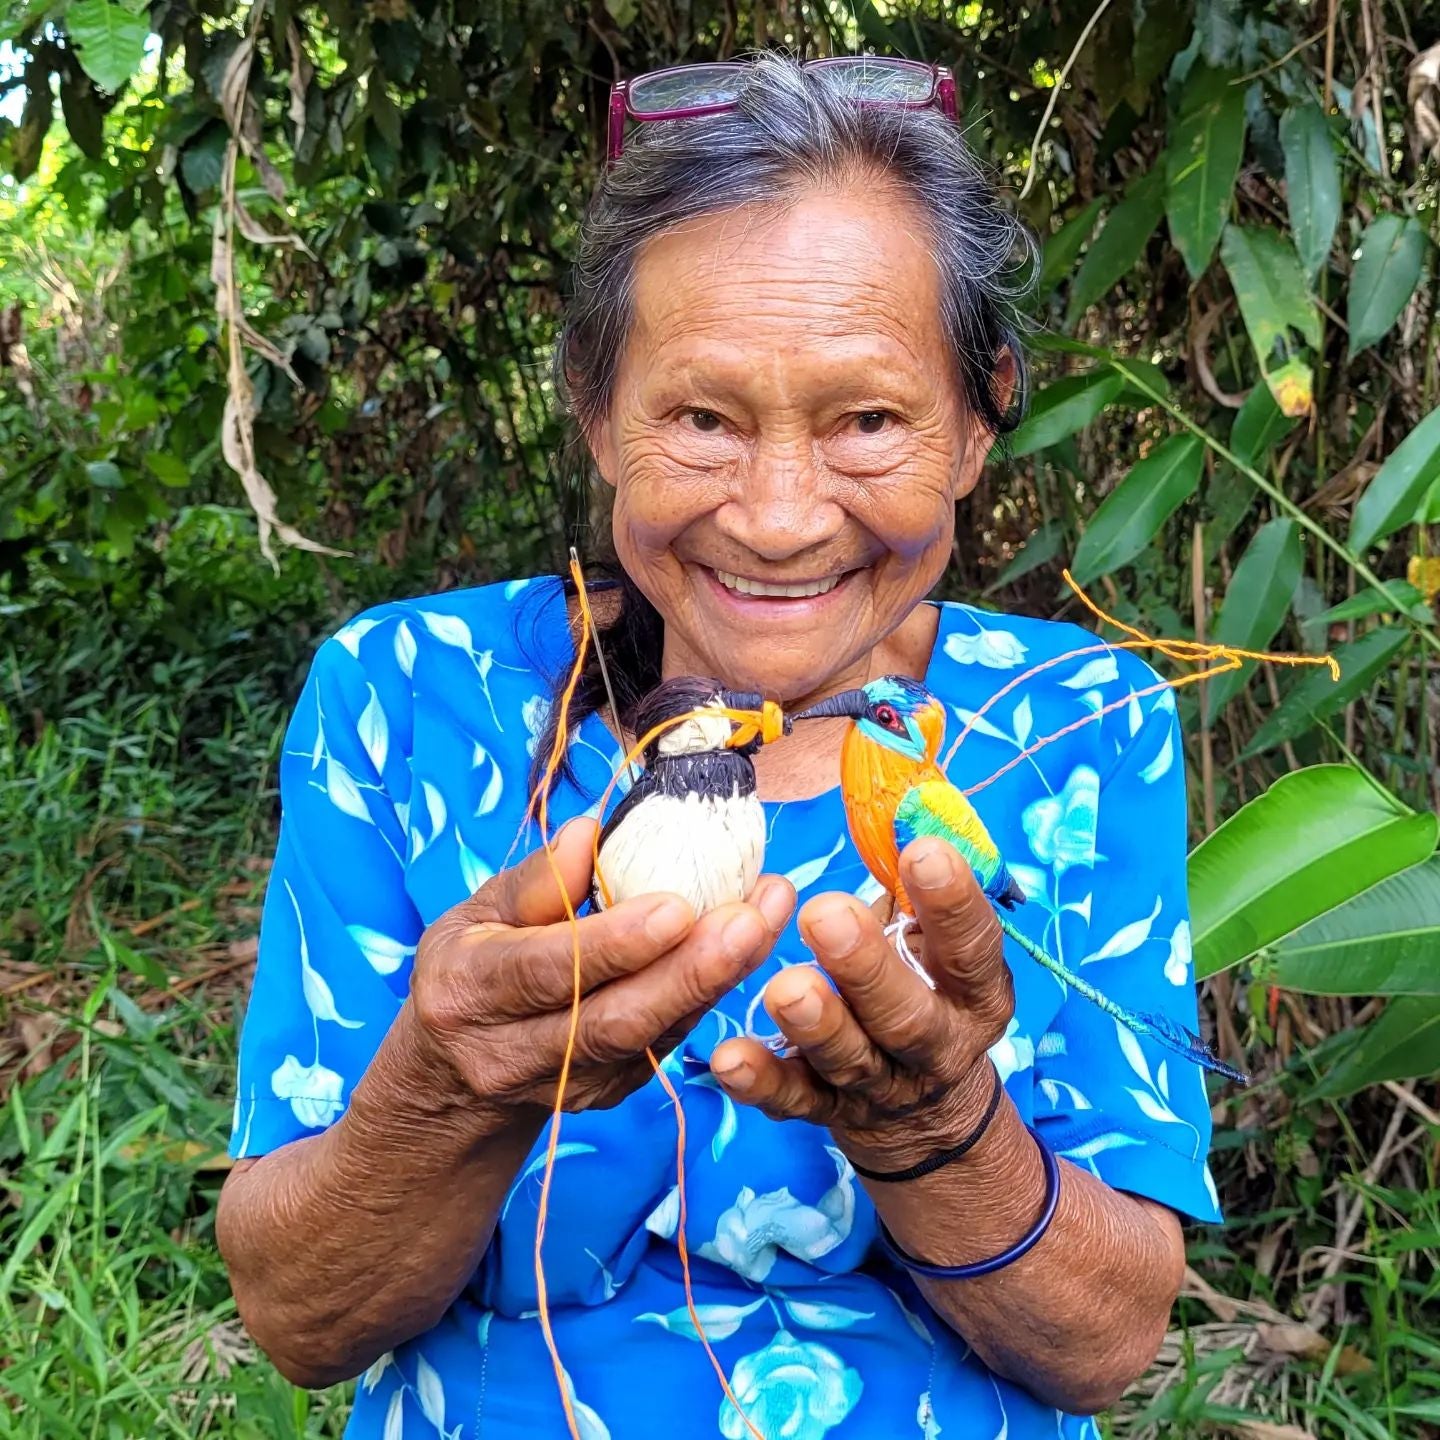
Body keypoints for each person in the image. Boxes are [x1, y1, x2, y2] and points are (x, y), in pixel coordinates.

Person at [217, 53, 1219, 1440]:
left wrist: (934, 1128)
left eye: (869, 419)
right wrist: (444, 1091)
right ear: (593, 405)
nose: (781, 516)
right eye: (702, 417)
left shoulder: (1076, 724)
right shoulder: (409, 699)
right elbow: (302, 1318)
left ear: (980, 419)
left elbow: (1105, 1342)